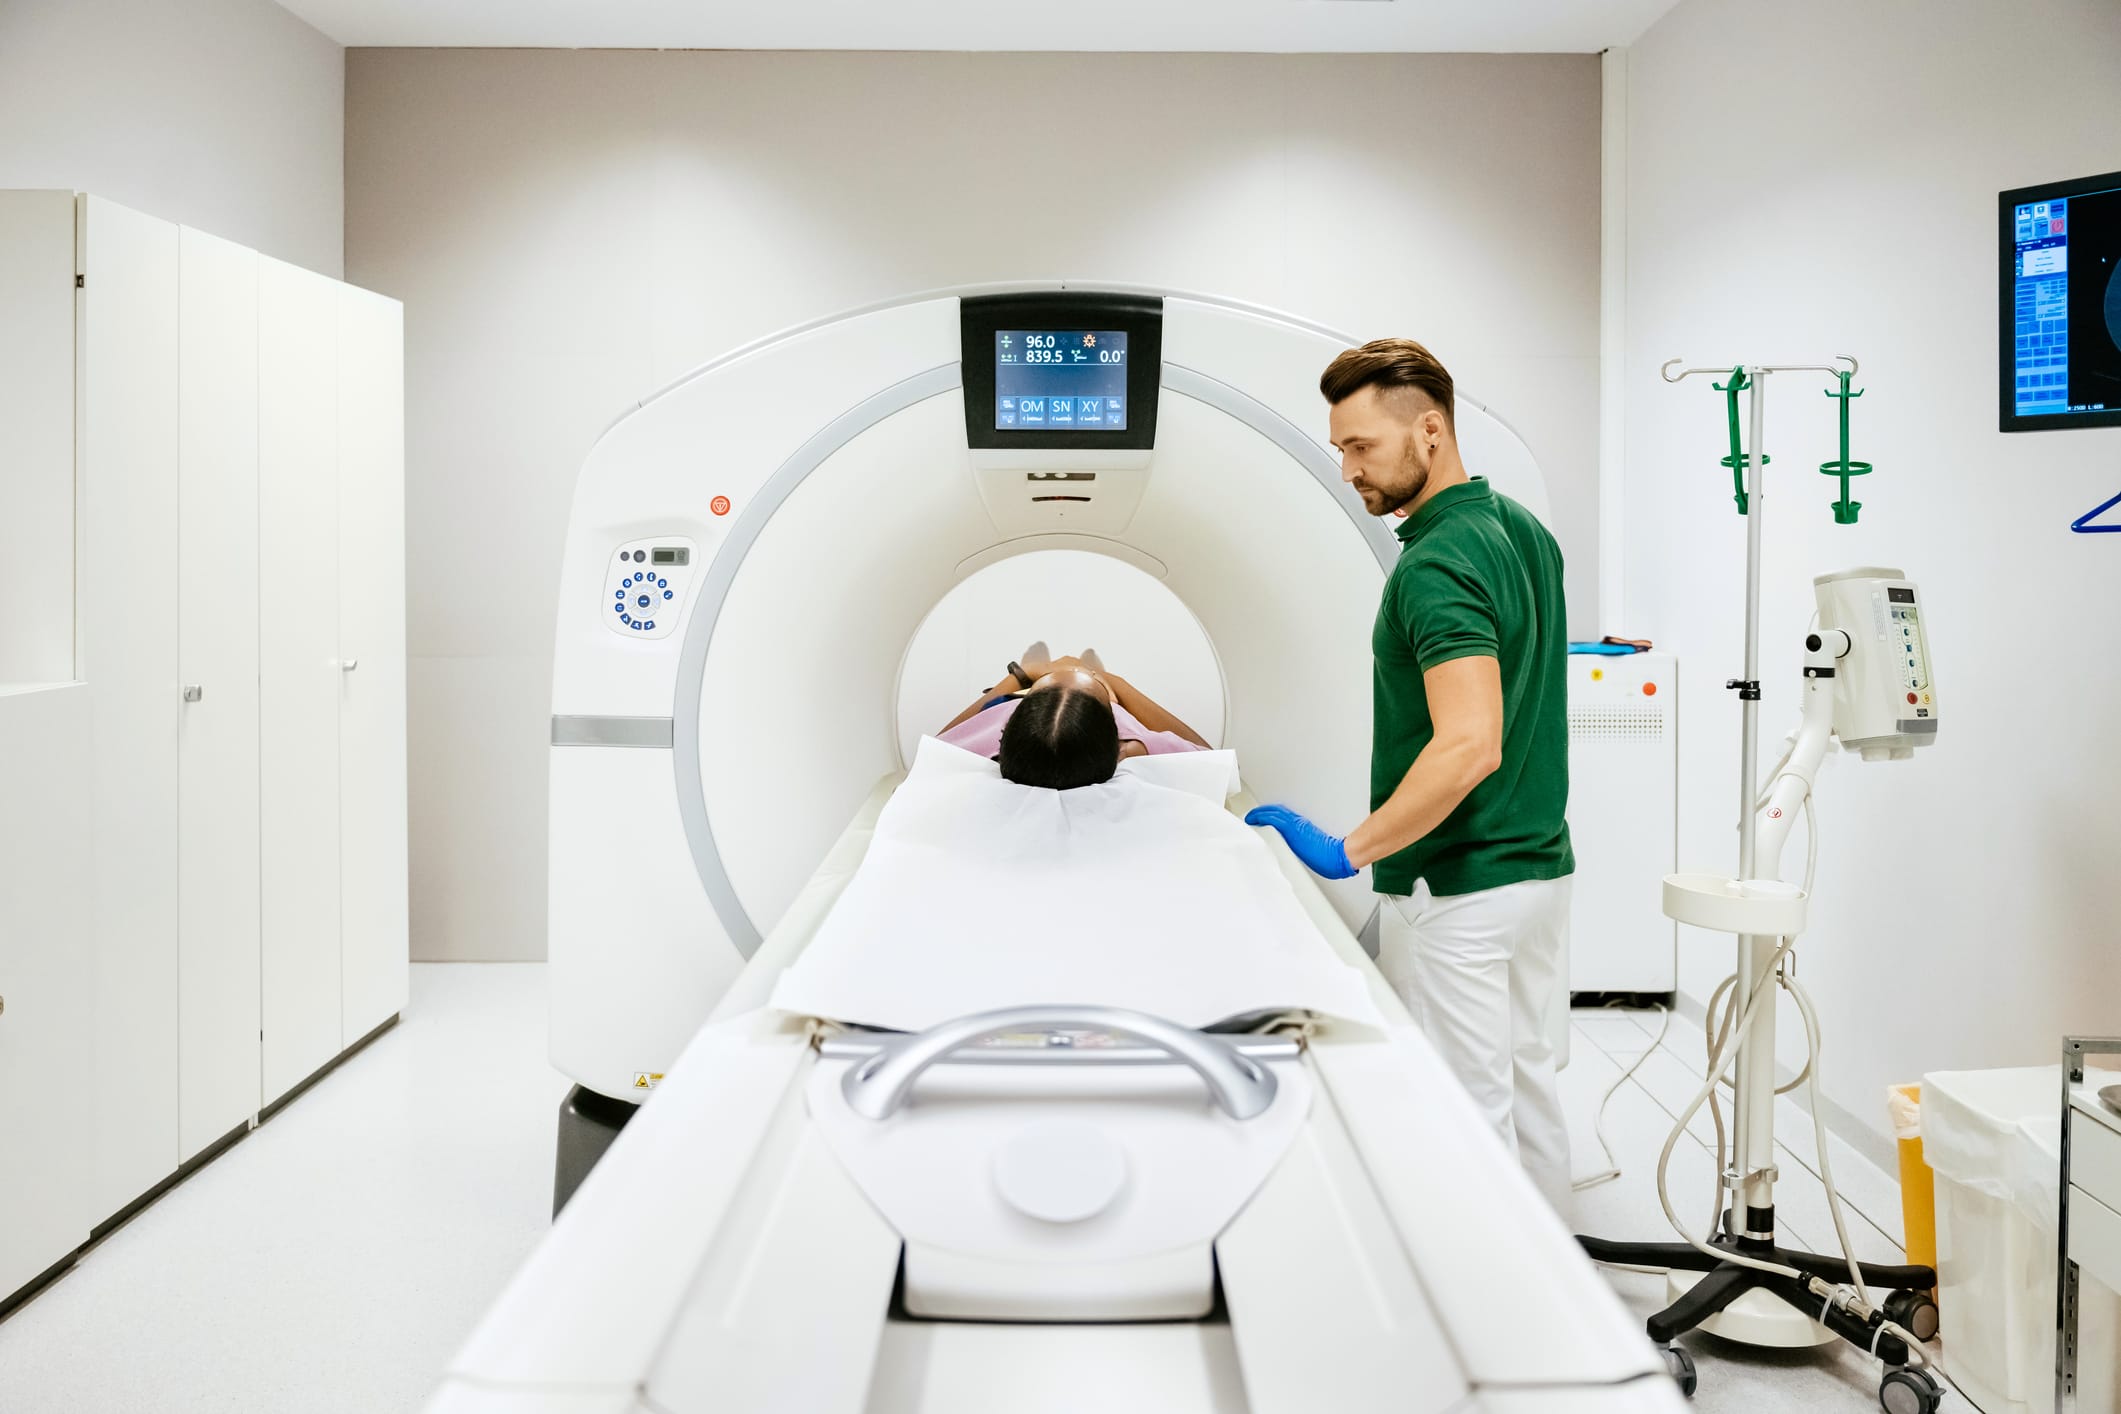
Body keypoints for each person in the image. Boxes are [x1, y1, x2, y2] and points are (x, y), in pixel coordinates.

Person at [1244, 339, 1575, 1212]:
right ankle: (1565, 1284)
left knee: (1462, 1111)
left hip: (1457, 884)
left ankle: (1502, 1322)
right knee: (1526, 1080)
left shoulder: (1434, 565)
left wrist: (1351, 849)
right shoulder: (1521, 532)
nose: (1349, 469)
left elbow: (1469, 745)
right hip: (1535, 868)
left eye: (1362, 447)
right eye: (1342, 449)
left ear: (1429, 431)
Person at [935, 643, 1210, 790]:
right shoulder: (1130, 739)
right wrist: (1109, 682)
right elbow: (1210, 758)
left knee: (997, 703)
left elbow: (934, 748)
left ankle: (1042, 676)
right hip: (1097, 714)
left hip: (1017, 707)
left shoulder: (992, 736)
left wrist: (1023, 675)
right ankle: (1087, 678)